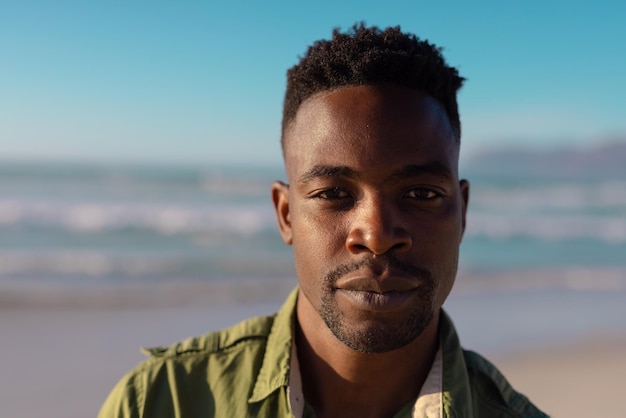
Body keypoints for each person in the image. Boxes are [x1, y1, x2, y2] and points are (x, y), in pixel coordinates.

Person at [99, 24, 548, 418]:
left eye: (421, 194)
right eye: (333, 194)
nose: (376, 235)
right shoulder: (161, 402)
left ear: (462, 212)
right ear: (286, 213)